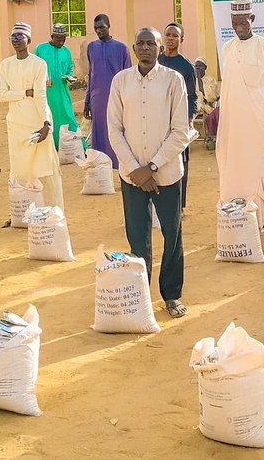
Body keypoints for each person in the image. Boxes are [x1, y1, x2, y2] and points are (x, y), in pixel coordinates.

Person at [107, 27, 191, 318]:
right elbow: (114, 130)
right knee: (137, 237)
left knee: (173, 235)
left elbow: (181, 131)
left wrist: (152, 167)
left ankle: (171, 295)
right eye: (140, 43)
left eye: (150, 43)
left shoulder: (173, 80)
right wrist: (135, 170)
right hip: (132, 177)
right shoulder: (121, 81)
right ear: (133, 48)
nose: (145, 48)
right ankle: (140, 296)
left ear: (159, 47)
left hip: (166, 174)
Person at [217, 0, 264, 258]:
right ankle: (243, 229)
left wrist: (257, 107)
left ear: (253, 19)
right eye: (234, 22)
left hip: (258, 124)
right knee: (235, 175)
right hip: (233, 128)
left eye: (243, 22)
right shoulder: (226, 49)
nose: (239, 27)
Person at [0, 22, 65, 226]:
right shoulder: (5, 64)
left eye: (20, 37)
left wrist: (46, 123)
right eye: (13, 37)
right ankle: (21, 216)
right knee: (19, 169)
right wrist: (24, 93)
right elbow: (2, 95)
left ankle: (56, 213)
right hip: (16, 124)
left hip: (37, 123)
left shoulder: (38, 64)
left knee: (46, 168)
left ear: (29, 40)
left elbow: (41, 96)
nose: (16, 41)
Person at [157, 23, 198, 206]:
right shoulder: (156, 62)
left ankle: (179, 205)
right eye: (168, 35)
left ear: (181, 40)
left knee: (180, 163)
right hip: (157, 121)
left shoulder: (186, 67)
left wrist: (188, 121)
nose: (170, 38)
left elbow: (192, 97)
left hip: (178, 123)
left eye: (175, 35)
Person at [85, 14, 131, 169]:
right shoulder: (91, 47)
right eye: (96, 28)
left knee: (116, 131)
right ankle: (100, 166)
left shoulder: (121, 48)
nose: (99, 31)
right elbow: (91, 75)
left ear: (109, 26)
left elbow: (128, 77)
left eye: (102, 27)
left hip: (116, 98)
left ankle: (119, 166)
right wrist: (87, 102)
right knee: (99, 133)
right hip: (96, 99)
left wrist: (127, 101)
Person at [33, 24, 79, 150]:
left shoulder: (66, 51)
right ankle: (52, 147)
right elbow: (34, 67)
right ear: (52, 36)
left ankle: (74, 146)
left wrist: (69, 77)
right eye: (58, 39)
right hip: (46, 92)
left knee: (68, 116)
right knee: (48, 117)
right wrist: (43, 76)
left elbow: (69, 67)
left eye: (63, 39)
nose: (61, 42)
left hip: (62, 91)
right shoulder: (40, 49)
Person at [196, 58, 220, 150]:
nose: (198, 68)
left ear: (205, 68)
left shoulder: (211, 80)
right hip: (195, 106)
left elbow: (212, 97)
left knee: (214, 115)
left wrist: (200, 81)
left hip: (208, 106)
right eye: (196, 66)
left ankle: (211, 137)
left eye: (200, 66)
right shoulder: (191, 80)